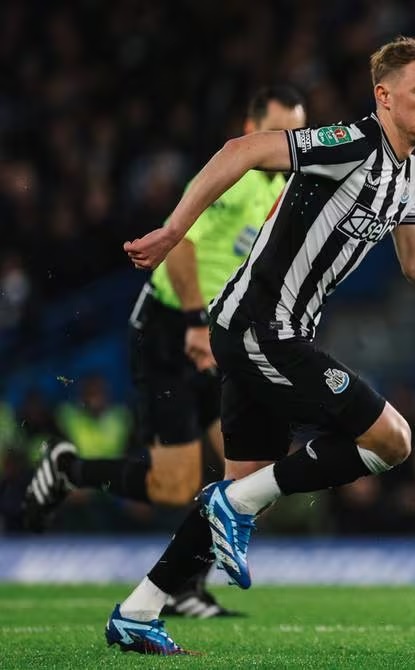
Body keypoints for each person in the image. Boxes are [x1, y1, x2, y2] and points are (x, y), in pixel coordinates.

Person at [106, 35, 415, 655]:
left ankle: (137, 612)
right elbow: (241, 150)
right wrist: (172, 230)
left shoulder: (414, 173)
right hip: (259, 327)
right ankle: (231, 504)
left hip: (271, 333)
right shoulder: (350, 144)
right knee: (392, 440)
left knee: (251, 488)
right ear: (383, 97)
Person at [23, 85, 307, 619]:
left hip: (216, 336)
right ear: (252, 128)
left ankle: (183, 586)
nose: (287, 142)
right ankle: (70, 471)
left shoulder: (280, 186)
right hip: (171, 330)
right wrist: (197, 323)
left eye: (296, 131)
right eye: (278, 129)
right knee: (176, 482)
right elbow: (184, 244)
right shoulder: (234, 174)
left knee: (244, 475)